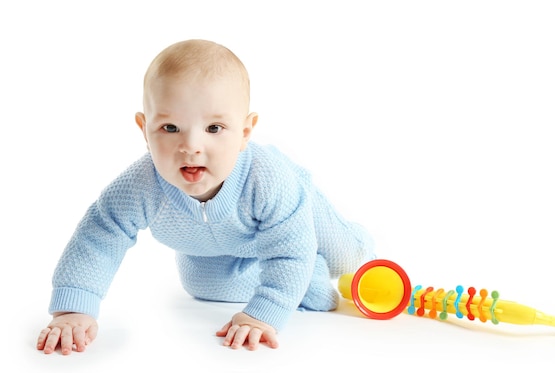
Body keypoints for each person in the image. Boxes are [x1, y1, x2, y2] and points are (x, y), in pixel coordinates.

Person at [36, 39, 375, 354]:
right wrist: (74, 307)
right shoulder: (140, 187)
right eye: (170, 128)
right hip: (210, 250)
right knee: (203, 287)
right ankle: (305, 275)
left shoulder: (268, 179)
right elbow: (98, 237)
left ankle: (343, 253)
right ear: (145, 129)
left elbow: (288, 247)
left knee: (347, 259)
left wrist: (264, 313)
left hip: (294, 213)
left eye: (214, 128)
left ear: (244, 132)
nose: (191, 147)